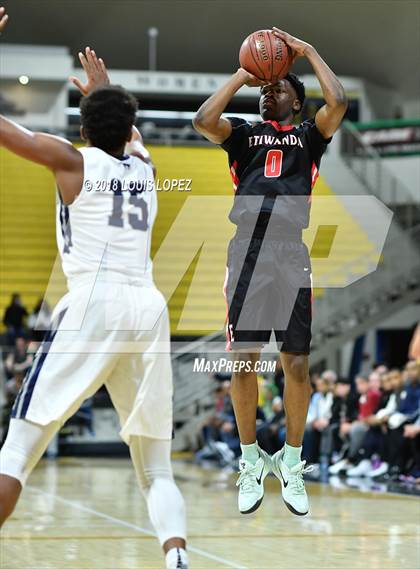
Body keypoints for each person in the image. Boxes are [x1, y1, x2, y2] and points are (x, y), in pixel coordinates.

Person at [0, 15, 188, 568]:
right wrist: (104, 95)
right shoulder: (147, 169)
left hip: (93, 302)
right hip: (148, 308)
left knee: (16, 452)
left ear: (82, 130)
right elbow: (125, 131)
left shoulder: (70, 160)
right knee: (156, 468)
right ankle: (176, 557)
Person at [193, 27, 347, 515]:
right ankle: (250, 460)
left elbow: (338, 102)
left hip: (290, 252)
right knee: (243, 359)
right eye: (265, 89)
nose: (267, 94)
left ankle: (292, 462)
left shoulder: (309, 137)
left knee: (296, 363)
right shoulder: (241, 134)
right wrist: (247, 71)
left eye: (277, 88)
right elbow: (203, 119)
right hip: (248, 252)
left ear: (297, 101)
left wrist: (307, 52)